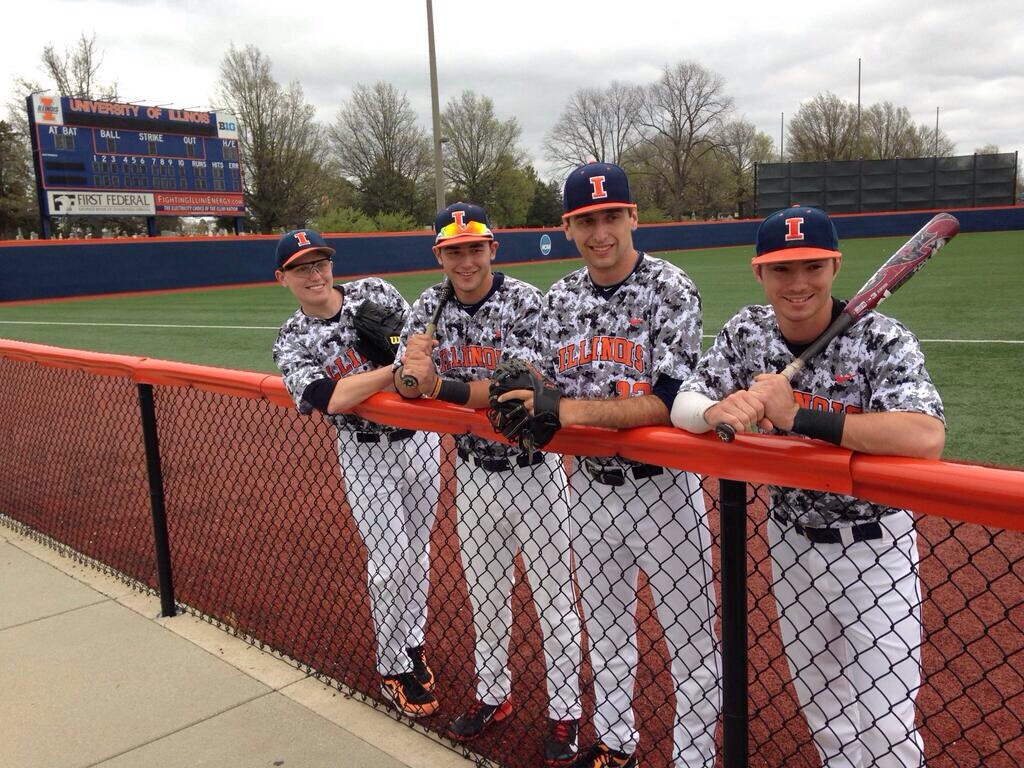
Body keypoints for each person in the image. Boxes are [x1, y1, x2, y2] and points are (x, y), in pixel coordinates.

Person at [671, 206, 945, 767]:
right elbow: (683, 402)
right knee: (824, 707)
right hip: (790, 543)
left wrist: (797, 417)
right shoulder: (746, 332)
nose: (798, 283)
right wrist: (720, 407)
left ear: (836, 265)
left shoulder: (882, 337)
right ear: (759, 273)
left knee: (887, 720)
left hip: (873, 547)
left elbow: (924, 436)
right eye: (782, 269)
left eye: (812, 266)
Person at [498, 163, 721, 768]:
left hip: (664, 492)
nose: (601, 232)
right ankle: (617, 744)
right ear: (569, 228)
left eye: (611, 217)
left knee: (692, 641)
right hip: (590, 491)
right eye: (586, 221)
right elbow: (530, 379)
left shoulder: (671, 289)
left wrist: (564, 409)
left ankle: (694, 758)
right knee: (609, 633)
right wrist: (517, 392)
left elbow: (668, 402)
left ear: (633, 218)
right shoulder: (561, 298)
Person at [394, 203, 583, 768]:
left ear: (492, 249)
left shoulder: (526, 301)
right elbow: (408, 380)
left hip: (535, 474)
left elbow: (510, 390)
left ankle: (565, 713)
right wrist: (412, 372)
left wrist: (436, 384)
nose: (466, 259)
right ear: (440, 256)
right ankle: (495, 696)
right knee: (486, 598)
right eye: (454, 251)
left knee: (554, 605)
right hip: (474, 475)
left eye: (475, 248)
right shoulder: (429, 304)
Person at [271, 228, 442, 719]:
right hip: (364, 452)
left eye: (320, 262)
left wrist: (402, 359)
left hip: (418, 440)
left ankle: (411, 642)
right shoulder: (290, 340)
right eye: (302, 267)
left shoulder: (375, 291)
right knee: (389, 559)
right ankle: (390, 664)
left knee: (418, 549)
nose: (315, 274)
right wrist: (389, 372)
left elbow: (418, 350)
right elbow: (330, 398)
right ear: (282, 278)